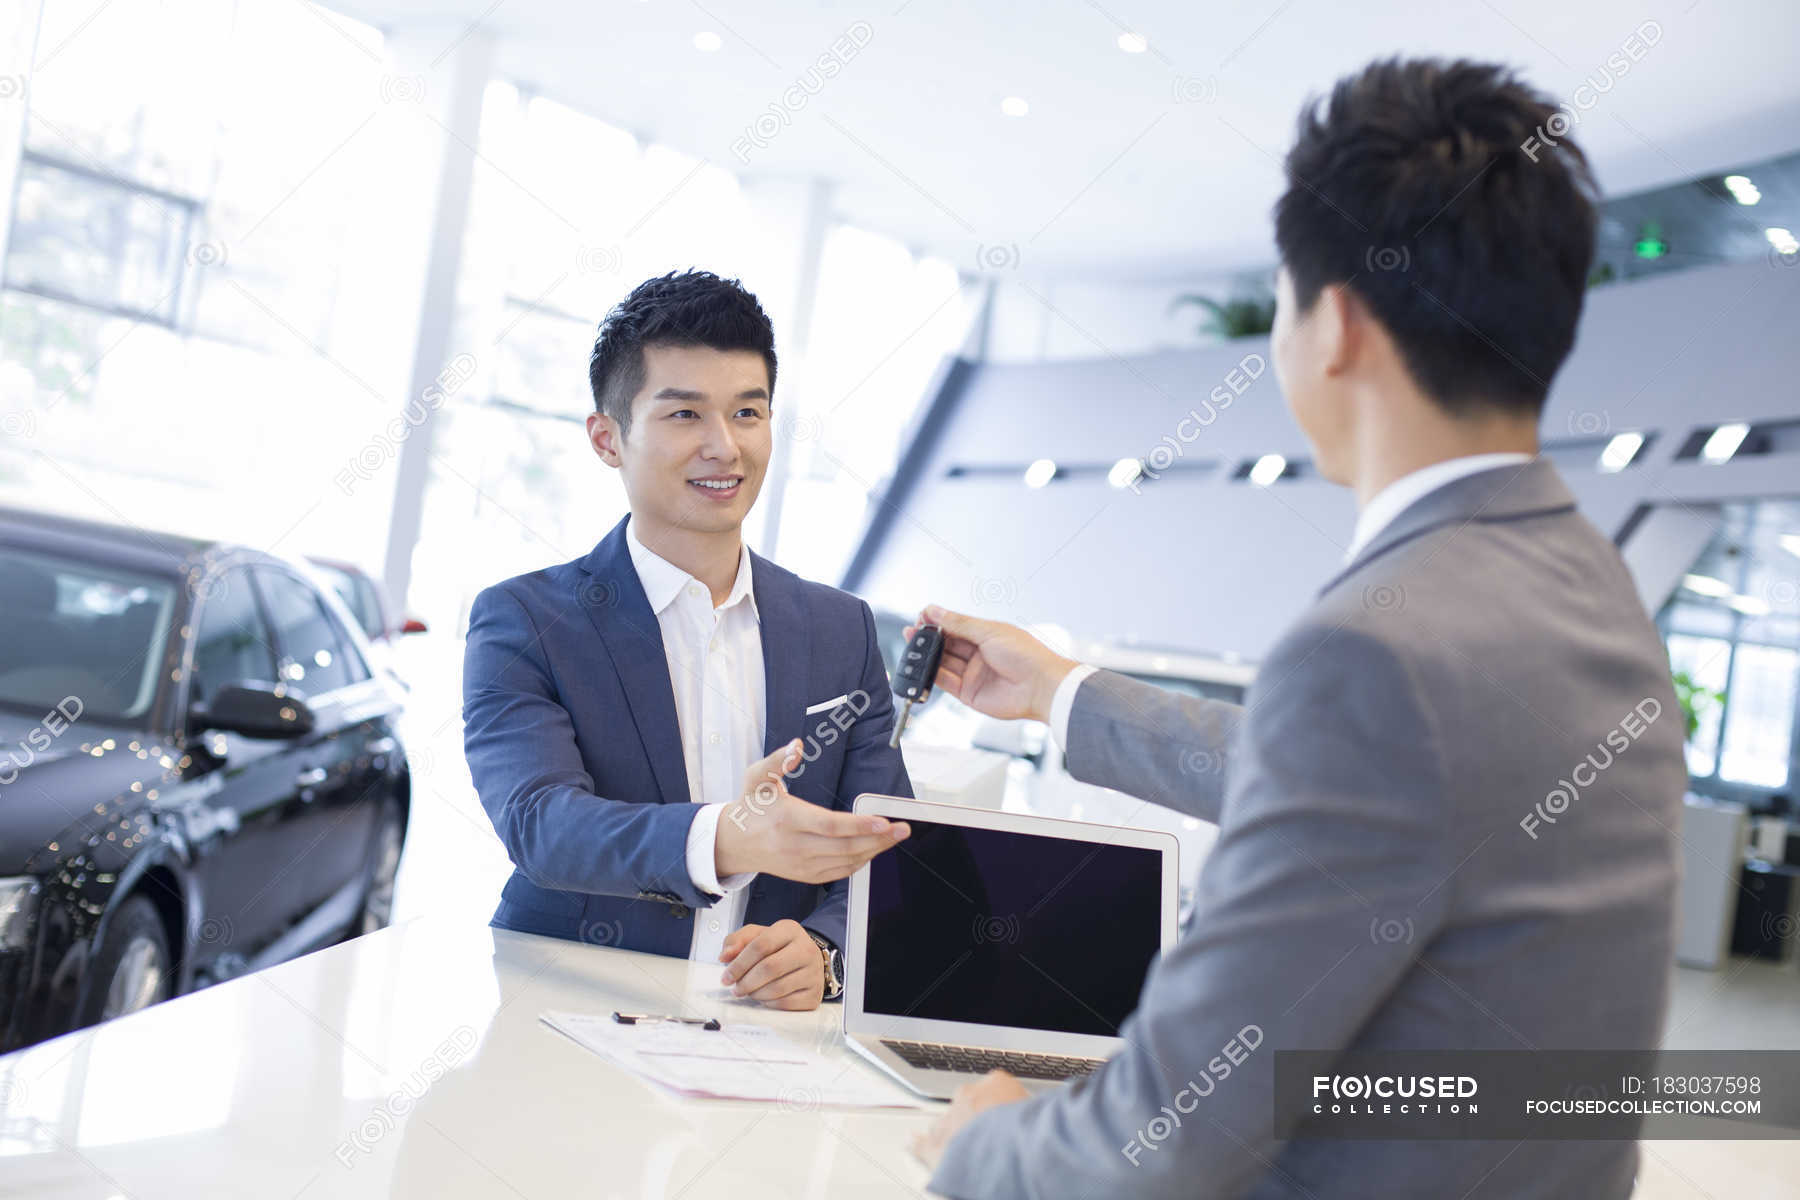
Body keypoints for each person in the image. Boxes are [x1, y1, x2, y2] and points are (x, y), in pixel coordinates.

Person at [911, 57, 1687, 1197]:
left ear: (1338, 325)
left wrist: (978, 1141)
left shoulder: (1377, 650)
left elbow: (1157, 1150)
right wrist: (1064, 694)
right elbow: (1375, 791)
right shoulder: (1590, 588)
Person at [462, 270, 911, 1011]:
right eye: (684, 416)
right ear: (608, 438)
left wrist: (825, 952)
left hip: (764, 1039)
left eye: (747, 412)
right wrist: (727, 838)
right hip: (565, 1017)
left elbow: (890, 844)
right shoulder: (524, 619)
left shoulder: (840, 629)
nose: (724, 446)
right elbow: (541, 824)